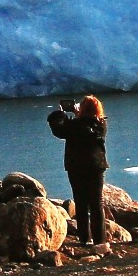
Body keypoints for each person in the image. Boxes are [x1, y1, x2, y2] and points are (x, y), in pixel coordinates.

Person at [48, 95, 109, 245]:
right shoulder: (101, 124)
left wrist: (61, 114)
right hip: (96, 166)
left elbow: (58, 130)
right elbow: (88, 126)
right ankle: (99, 240)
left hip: (76, 167)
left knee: (81, 202)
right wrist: (78, 115)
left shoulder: (74, 125)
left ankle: (83, 238)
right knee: (96, 203)